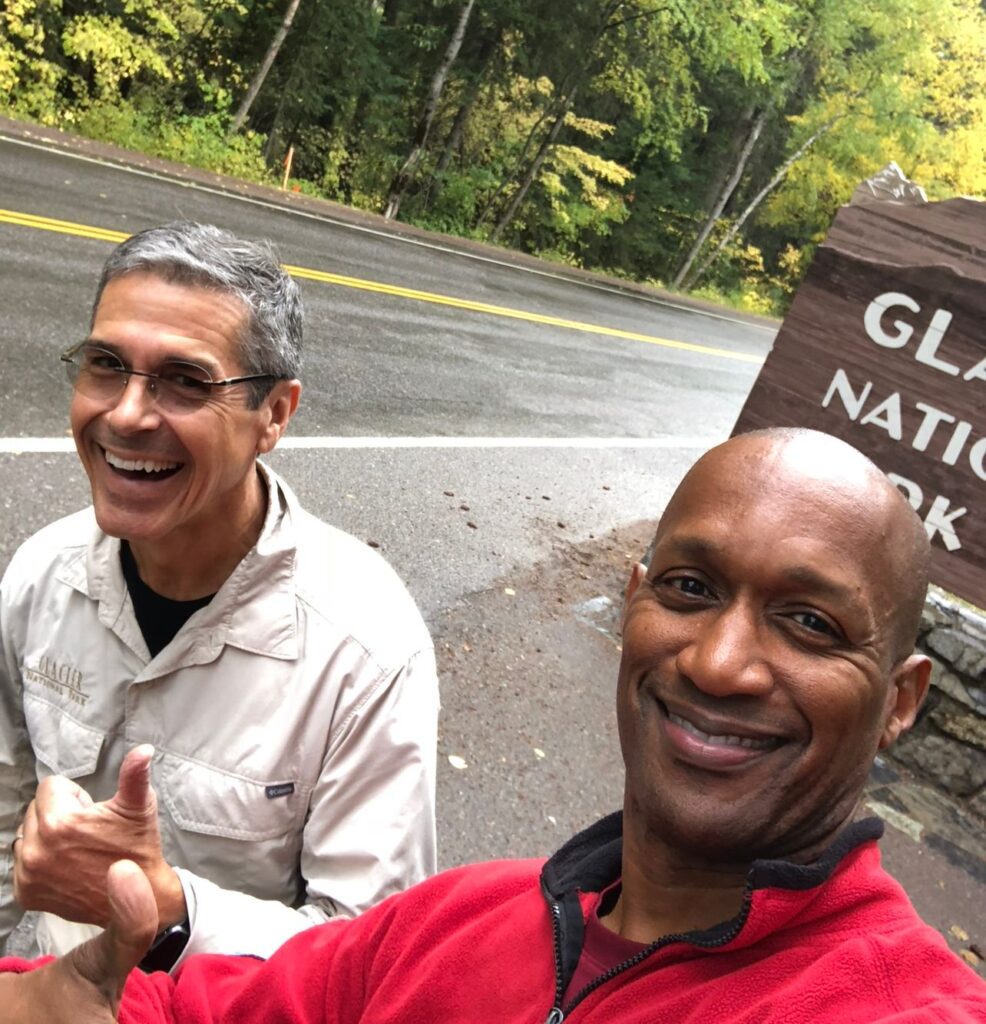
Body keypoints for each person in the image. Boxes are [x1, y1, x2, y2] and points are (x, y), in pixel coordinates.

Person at [3, 427, 986, 1024]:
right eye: (689, 589)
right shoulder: (463, 917)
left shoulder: (897, 1003)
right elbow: (192, 1004)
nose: (718, 662)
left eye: (807, 623)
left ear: (897, 700)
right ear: (634, 602)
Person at [0, 222, 438, 970]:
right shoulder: (40, 575)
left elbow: (367, 955)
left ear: (274, 415)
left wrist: (172, 915)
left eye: (185, 381)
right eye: (106, 364)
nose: (129, 415)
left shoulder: (365, 656)